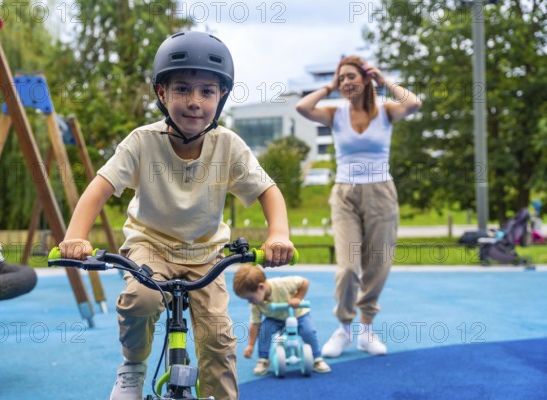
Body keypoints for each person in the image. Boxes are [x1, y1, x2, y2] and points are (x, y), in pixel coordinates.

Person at [58, 31, 295, 400]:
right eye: (182, 88)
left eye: (207, 91)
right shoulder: (142, 141)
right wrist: (76, 236)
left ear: (222, 98)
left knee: (218, 337)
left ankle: (220, 396)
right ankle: (133, 367)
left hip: (205, 255)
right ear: (162, 94)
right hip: (150, 247)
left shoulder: (228, 146)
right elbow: (99, 188)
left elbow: (269, 191)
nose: (195, 101)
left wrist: (278, 234)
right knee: (141, 300)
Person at [296, 56, 422, 357]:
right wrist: (328, 86)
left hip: (381, 193)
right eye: (342, 79)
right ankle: (344, 328)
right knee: (349, 267)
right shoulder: (334, 113)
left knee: (378, 266)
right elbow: (302, 108)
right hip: (345, 195)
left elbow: (414, 103)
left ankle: (366, 329)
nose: (346, 83)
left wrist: (383, 81)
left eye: (351, 76)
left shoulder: (386, 112)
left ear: (365, 79)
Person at [232, 264, 331, 374]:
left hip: (297, 315)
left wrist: (297, 298)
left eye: (250, 298)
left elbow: (304, 282)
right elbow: (255, 324)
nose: (249, 302)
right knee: (265, 330)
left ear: (261, 287)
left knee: (308, 331)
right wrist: (250, 345)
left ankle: (317, 358)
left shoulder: (282, 284)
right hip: (275, 319)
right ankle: (263, 359)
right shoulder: (255, 304)